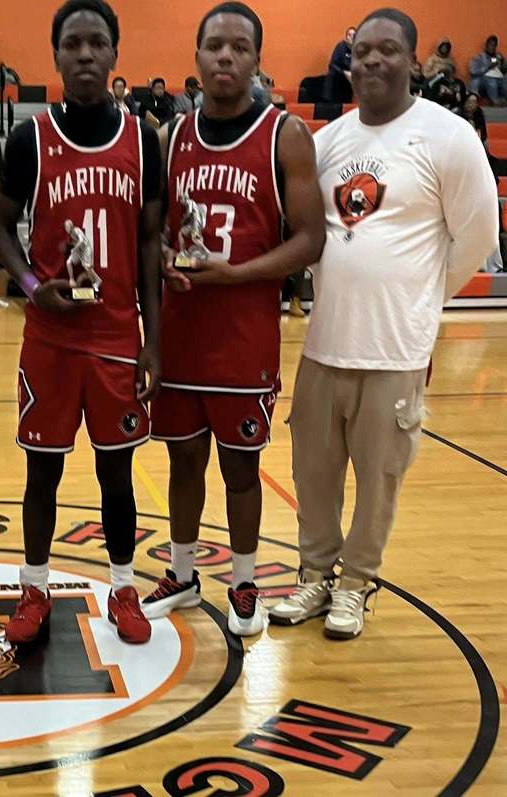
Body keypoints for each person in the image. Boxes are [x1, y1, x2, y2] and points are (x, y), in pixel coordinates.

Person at [268, 9, 498, 639]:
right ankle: (315, 576)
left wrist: (421, 301)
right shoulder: (330, 140)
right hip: (325, 343)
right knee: (312, 474)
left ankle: (356, 584)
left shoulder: (448, 138)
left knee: (379, 480)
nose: (371, 61)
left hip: (395, 349)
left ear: (412, 62)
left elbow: (477, 237)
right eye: (362, 51)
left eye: (387, 51)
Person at [143, 1, 325, 637]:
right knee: (183, 461)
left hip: (244, 338)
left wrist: (235, 274)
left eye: (239, 47)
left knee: (242, 468)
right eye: (214, 46)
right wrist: (166, 256)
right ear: (196, 57)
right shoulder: (173, 138)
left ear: (255, 58)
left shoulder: (285, 135)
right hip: (184, 333)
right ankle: (185, 573)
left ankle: (243, 580)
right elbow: (155, 231)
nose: (225, 56)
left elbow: (310, 241)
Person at [0, 0, 163, 645]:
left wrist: (154, 340)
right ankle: (33, 587)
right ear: (57, 54)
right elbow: (0, 227)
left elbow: (150, 243)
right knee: (43, 471)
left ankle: (123, 587)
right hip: (52, 340)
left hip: (118, 338)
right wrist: (34, 287)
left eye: (97, 43)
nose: (85, 55)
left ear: (115, 54)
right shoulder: (29, 138)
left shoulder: (142, 139)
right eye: (73, 44)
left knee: (116, 474)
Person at [469, 35, 506, 106]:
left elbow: (504, 71)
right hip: (484, 79)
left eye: (494, 45)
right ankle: (495, 102)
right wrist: (488, 67)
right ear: (486, 45)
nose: (492, 47)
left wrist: (502, 62)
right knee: (492, 81)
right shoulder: (479, 57)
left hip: (499, 78)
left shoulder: (498, 56)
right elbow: (473, 71)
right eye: (490, 45)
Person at [325, 26, 355, 102]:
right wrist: (344, 72)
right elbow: (332, 64)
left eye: (353, 35)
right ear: (346, 37)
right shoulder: (341, 47)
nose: (351, 37)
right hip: (339, 75)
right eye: (349, 35)